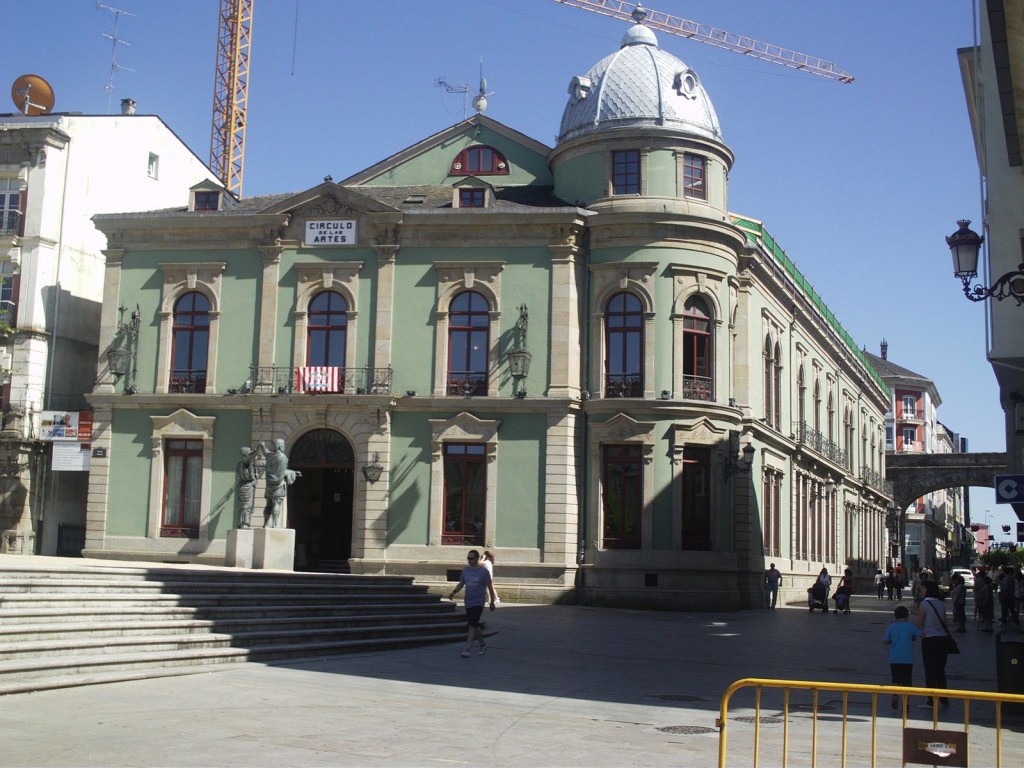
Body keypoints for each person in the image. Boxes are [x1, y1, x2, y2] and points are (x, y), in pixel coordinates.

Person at [448, 549, 497, 658]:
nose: (469, 560)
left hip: (479, 602)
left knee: (471, 624)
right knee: (474, 624)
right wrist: (453, 592)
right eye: (468, 558)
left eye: (471, 558)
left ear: (476, 558)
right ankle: (483, 644)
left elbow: (490, 587)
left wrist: (492, 602)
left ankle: (468, 649)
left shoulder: (484, 572)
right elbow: (461, 583)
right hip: (468, 601)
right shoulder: (466, 570)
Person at [914, 579, 950, 708]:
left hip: (929, 639)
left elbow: (918, 624)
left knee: (930, 670)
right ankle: (944, 700)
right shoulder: (940, 604)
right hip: (942, 639)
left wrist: (919, 633)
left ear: (927, 590)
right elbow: (946, 623)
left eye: (923, 588)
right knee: (940, 670)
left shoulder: (924, 604)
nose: (921, 591)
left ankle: (931, 701)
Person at [883, 605, 921, 710]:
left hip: (894, 658)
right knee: (907, 681)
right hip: (907, 659)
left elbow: (885, 641)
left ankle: (895, 694)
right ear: (907, 616)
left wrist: (891, 641)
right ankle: (906, 703)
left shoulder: (891, 627)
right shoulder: (910, 626)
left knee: (895, 679)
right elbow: (921, 635)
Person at [259, 439, 301, 528]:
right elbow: (281, 473)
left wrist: (262, 445)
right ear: (280, 446)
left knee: (268, 505)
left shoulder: (269, 456)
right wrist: (293, 472)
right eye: (283, 445)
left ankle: (265, 524)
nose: (284, 446)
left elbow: (265, 452)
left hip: (269, 485)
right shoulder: (283, 458)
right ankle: (275, 524)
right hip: (278, 485)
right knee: (276, 504)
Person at [234, 446, 261, 529]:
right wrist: (258, 450)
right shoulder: (245, 461)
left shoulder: (242, 463)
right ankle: (244, 523)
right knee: (245, 505)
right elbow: (250, 458)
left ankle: (243, 523)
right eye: (249, 452)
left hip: (245, 485)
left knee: (245, 505)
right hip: (246, 485)